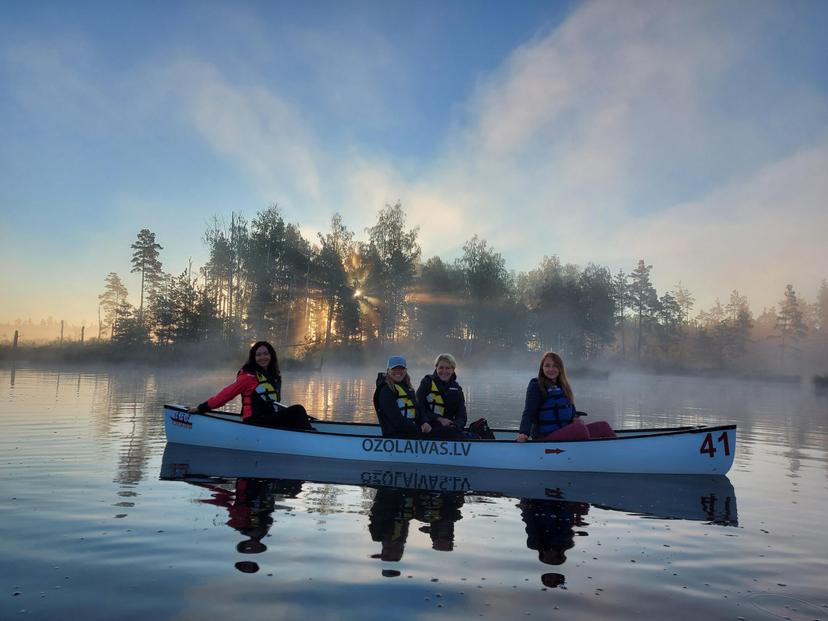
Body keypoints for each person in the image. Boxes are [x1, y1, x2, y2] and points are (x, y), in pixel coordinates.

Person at [188, 340, 313, 430]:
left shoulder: (273, 375)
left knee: (298, 414)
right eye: (258, 355)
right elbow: (224, 396)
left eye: (266, 354)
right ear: (253, 358)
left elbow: (271, 402)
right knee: (298, 410)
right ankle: (311, 438)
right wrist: (200, 408)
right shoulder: (247, 377)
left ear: (271, 356)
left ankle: (308, 434)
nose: (262, 357)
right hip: (254, 421)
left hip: (269, 418)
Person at [516, 352, 615, 442]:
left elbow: (571, 410)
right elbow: (528, 412)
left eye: (555, 366)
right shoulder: (536, 385)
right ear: (542, 368)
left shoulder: (563, 386)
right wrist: (524, 433)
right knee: (579, 429)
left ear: (560, 369)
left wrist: (574, 418)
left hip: (564, 432)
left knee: (603, 426)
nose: (551, 369)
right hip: (544, 437)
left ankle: (617, 451)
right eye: (547, 366)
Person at [374, 356, 461, 439]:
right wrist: (420, 429)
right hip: (397, 435)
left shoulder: (406, 387)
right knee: (449, 433)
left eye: (401, 368)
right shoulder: (385, 391)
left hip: (409, 432)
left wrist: (424, 422)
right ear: (388, 371)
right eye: (394, 369)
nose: (398, 372)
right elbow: (396, 420)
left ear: (405, 370)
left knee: (451, 431)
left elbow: (418, 409)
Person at [416, 353, 468, 432]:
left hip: (448, 430)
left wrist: (455, 426)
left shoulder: (457, 389)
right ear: (436, 368)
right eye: (441, 368)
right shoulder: (427, 382)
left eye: (447, 368)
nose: (444, 371)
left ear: (453, 370)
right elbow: (418, 406)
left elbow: (462, 416)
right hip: (427, 428)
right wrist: (439, 419)